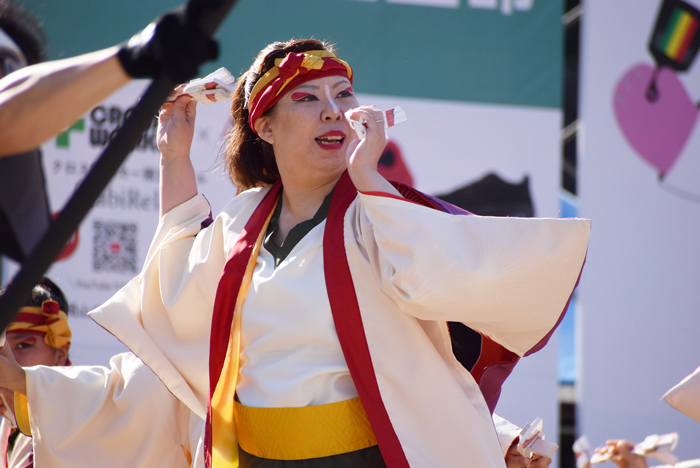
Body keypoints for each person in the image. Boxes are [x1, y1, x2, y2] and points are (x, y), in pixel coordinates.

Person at [0, 38, 590, 467]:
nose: (333, 108)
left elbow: (442, 273)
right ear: (265, 127)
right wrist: (174, 155)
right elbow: (176, 303)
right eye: (306, 98)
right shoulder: (241, 224)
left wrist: (372, 178)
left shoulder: (380, 214)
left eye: (343, 93)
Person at [0, 277, 70, 468]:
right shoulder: (8, 422)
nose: (9, 359)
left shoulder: (78, 416)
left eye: (23, 345)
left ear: (61, 354)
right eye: (2, 348)